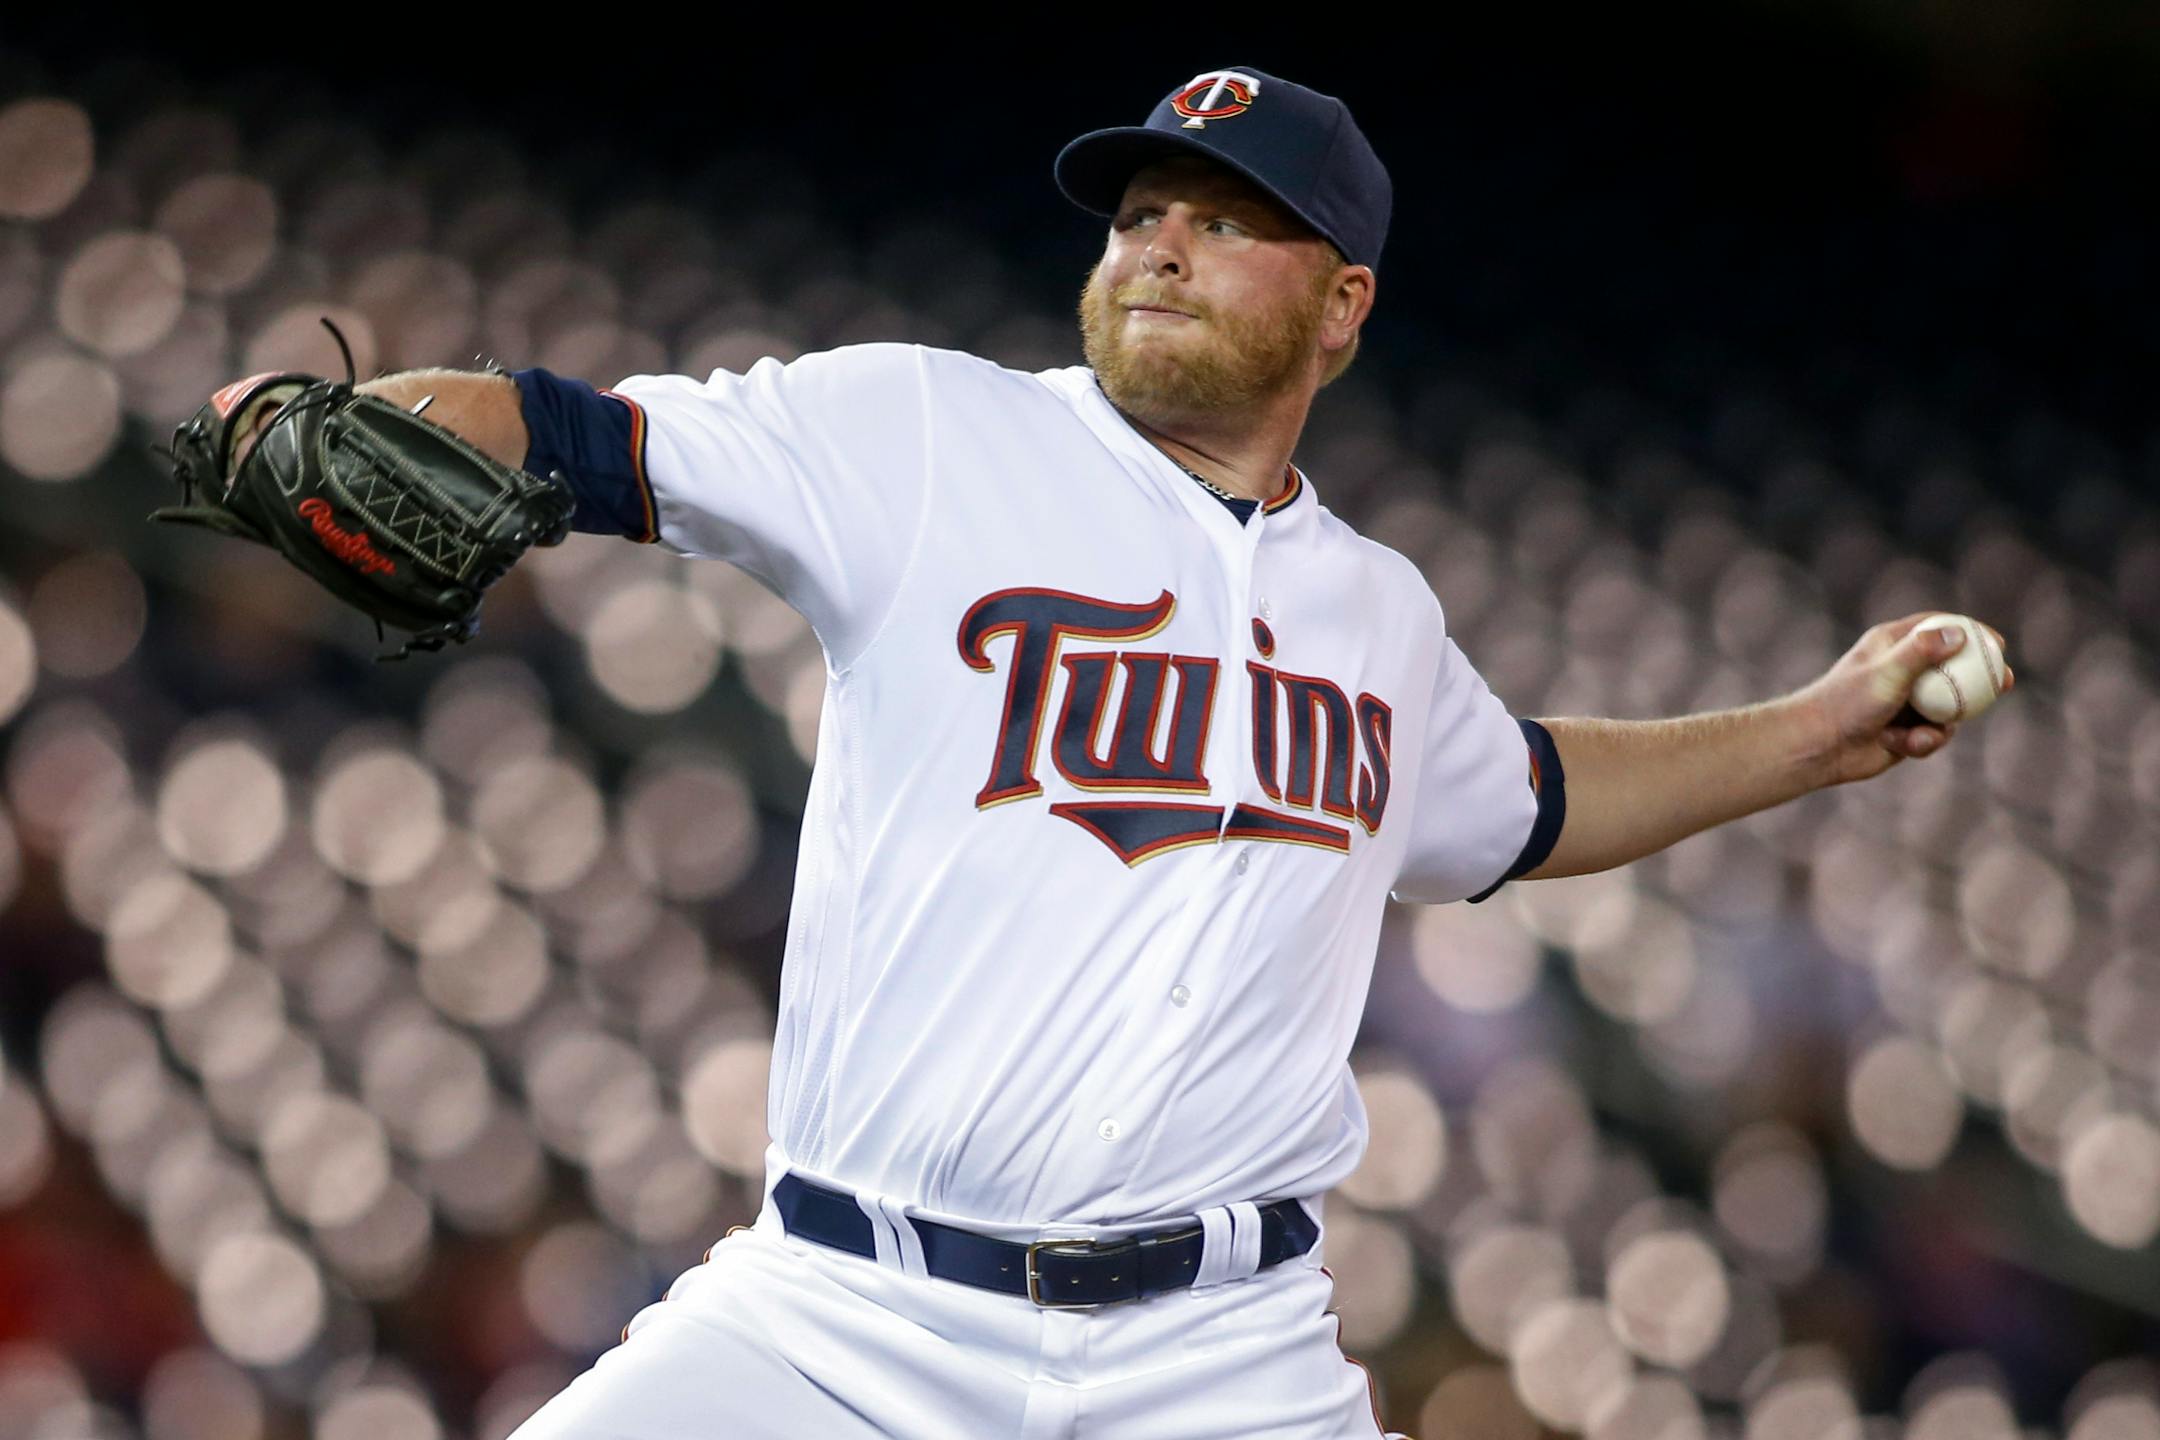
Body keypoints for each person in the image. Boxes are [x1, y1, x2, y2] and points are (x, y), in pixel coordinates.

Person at [230, 66, 2006, 1440]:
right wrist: (355, 422)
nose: (1159, 240)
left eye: (1228, 219)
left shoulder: (1376, 613)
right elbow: (577, 436)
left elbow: (1529, 800)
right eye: (1140, 207)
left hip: (1220, 1359)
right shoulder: (925, 431)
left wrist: (1813, 733)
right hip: (846, 1322)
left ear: (1341, 306)